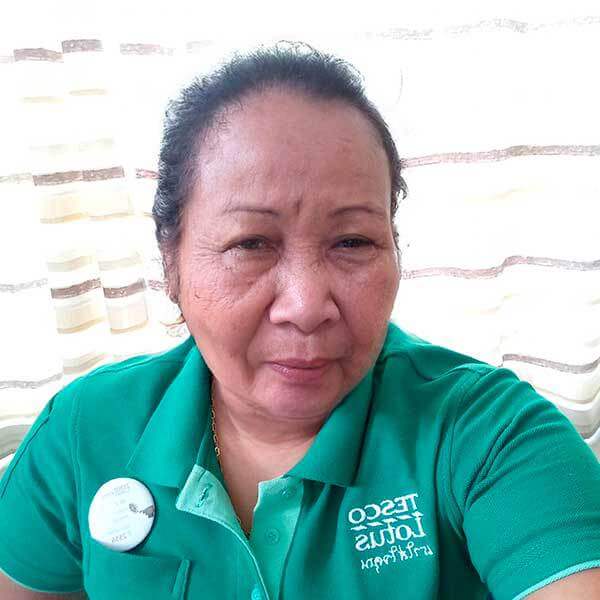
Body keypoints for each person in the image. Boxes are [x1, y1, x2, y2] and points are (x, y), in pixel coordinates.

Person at [0, 42, 599, 600]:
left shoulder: (486, 431)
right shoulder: (85, 430)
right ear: (171, 262)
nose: (307, 307)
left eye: (353, 241)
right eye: (251, 243)